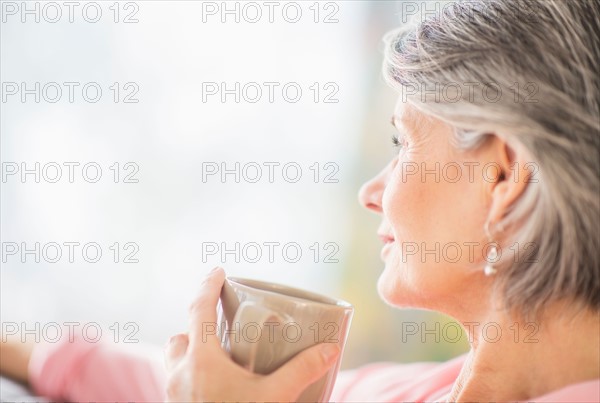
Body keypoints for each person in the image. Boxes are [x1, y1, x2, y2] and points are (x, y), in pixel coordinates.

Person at [1, 0, 599, 401]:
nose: (372, 193)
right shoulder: (407, 390)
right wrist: (17, 352)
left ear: (503, 177)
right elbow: (179, 383)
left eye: (403, 142)